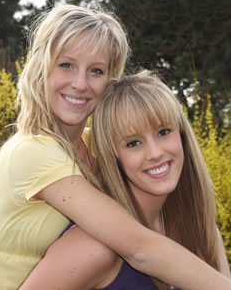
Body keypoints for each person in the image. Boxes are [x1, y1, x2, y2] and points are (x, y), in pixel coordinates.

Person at [0, 3, 230, 290]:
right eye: (66, 65)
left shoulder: (92, 145)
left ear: (109, 80)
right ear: (42, 66)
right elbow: (139, 248)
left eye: (96, 71)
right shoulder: (32, 152)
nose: (80, 83)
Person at [20, 70, 231, 290]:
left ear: (182, 135)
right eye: (133, 143)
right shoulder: (93, 247)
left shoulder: (199, 228)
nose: (155, 153)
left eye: (163, 132)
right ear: (114, 156)